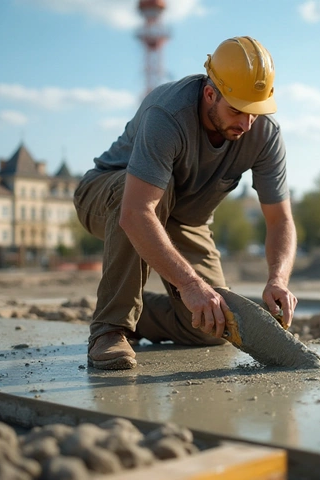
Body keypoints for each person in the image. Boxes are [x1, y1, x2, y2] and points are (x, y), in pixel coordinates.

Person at [74, 36, 298, 370]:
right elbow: (136, 212)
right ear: (210, 94)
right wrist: (191, 285)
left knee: (213, 324)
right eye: (237, 110)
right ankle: (110, 328)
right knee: (145, 200)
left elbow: (280, 220)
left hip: (185, 219)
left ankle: (136, 310)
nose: (246, 123)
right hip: (112, 196)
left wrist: (277, 279)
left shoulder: (263, 133)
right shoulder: (167, 113)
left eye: (255, 111)